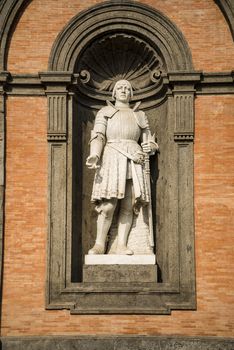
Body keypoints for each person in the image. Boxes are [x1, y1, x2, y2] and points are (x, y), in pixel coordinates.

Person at [86, 80, 158, 255]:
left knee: (128, 204)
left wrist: (151, 147)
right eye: (120, 88)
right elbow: (98, 136)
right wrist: (95, 154)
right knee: (108, 205)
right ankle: (99, 244)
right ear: (114, 93)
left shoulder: (139, 115)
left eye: (127, 88)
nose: (124, 90)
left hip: (134, 158)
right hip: (112, 156)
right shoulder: (105, 112)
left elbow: (148, 139)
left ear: (131, 94)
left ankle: (121, 245)